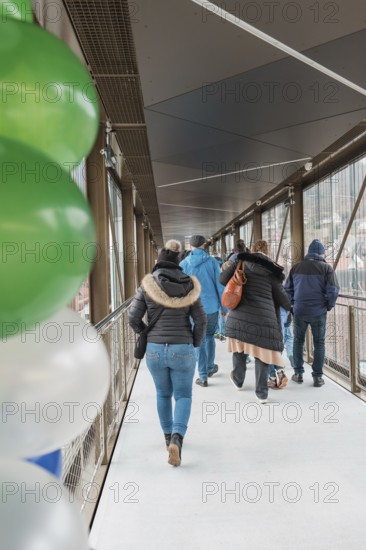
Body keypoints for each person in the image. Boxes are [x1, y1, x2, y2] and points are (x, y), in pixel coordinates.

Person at [128, 239, 207, 466]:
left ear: (158, 263)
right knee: (183, 395)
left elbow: (132, 318)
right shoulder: (190, 284)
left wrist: (146, 334)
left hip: (154, 349)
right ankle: (177, 439)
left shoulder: (148, 285)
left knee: (163, 394)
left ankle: (166, 439)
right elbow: (200, 320)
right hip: (182, 347)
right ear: (178, 263)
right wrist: (194, 343)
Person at [219, 239, 291, 403]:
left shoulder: (242, 262)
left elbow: (222, 280)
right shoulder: (272, 270)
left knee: (239, 349)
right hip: (264, 319)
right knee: (262, 354)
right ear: (268, 252)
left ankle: (238, 380)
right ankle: (262, 393)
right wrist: (290, 308)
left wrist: (235, 264)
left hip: (239, 316)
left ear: (252, 250)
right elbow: (281, 297)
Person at [284, 239, 340, 387]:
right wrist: (328, 305)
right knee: (319, 343)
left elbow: (287, 289)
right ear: (321, 253)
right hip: (318, 311)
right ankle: (317, 377)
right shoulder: (326, 268)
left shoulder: (296, 268)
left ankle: (298, 373)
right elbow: (333, 290)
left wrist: (292, 305)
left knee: (298, 341)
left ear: (308, 253)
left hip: (300, 311)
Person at [180, 235, 225, 387]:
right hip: (211, 307)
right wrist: (224, 308)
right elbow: (220, 286)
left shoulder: (184, 264)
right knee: (210, 336)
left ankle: (203, 375)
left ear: (191, 246)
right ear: (204, 245)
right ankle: (210, 367)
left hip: (193, 307)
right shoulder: (213, 262)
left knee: (198, 339)